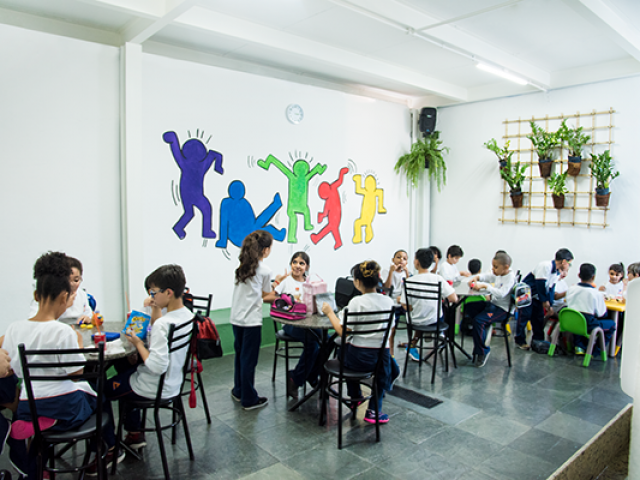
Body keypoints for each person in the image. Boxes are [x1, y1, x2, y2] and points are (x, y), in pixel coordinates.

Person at [2, 251, 119, 477]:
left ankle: (38, 457)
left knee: (79, 397)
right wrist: (78, 344)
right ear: (65, 297)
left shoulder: (14, 328)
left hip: (28, 405)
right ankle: (101, 448)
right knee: (98, 396)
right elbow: (76, 373)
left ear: (36, 295)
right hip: (64, 405)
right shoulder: (63, 331)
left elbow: (11, 368)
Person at [104, 264, 193, 450]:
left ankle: (109, 448)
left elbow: (157, 366)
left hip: (152, 386)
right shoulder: (188, 316)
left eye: (154, 293)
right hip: (174, 383)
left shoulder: (163, 324)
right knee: (125, 369)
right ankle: (133, 433)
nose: (151, 297)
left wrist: (137, 343)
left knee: (101, 391)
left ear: (168, 292)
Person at [321, 261, 399, 424]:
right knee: (387, 367)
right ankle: (374, 410)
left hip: (357, 359)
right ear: (378, 279)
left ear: (357, 282)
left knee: (343, 350)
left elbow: (343, 332)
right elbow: (390, 331)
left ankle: (355, 396)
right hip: (380, 360)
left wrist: (329, 313)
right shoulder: (388, 302)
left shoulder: (356, 302)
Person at [230, 230, 274, 409]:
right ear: (265, 250)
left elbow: (255, 290)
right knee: (249, 360)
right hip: (251, 321)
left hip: (236, 318)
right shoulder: (265, 270)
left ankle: (239, 390)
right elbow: (266, 296)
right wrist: (279, 292)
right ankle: (249, 399)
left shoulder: (242, 267)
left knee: (240, 356)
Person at [273, 252, 321, 399]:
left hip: (309, 322)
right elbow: (273, 298)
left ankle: (310, 374)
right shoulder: (286, 282)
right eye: (294, 262)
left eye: (301, 263)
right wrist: (276, 285)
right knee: (313, 343)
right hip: (291, 323)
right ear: (290, 264)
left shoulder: (310, 282)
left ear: (307, 267)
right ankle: (297, 379)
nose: (297, 266)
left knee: (326, 340)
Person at [401, 248, 458, 362]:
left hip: (414, 321)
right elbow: (454, 299)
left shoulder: (409, 281)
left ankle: (413, 345)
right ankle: (440, 334)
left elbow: (406, 306)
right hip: (434, 321)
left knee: (420, 310)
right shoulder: (438, 279)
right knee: (439, 309)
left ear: (417, 262)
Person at [515, 248, 573, 350]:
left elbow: (551, 289)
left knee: (539, 318)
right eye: (569, 263)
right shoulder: (545, 266)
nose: (569, 266)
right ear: (564, 261)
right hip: (526, 294)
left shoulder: (556, 272)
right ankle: (520, 340)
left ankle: (538, 340)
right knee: (524, 316)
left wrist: (550, 305)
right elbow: (540, 284)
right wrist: (545, 301)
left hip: (537, 297)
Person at [467, 252, 516, 367]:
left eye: (495, 267)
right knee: (470, 307)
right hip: (493, 305)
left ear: (506, 267)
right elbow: (489, 277)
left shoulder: (510, 277)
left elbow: (501, 293)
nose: (493, 269)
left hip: (502, 310)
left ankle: (483, 351)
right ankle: (483, 331)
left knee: (479, 321)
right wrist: (477, 277)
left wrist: (486, 286)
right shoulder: (500, 273)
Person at [566, 263, 616, 355]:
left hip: (571, 322)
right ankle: (595, 351)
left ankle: (579, 346)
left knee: (579, 317)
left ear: (579, 275)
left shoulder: (571, 289)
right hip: (588, 325)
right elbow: (601, 314)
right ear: (593, 277)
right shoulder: (595, 293)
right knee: (612, 324)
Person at [29, 256, 93, 325]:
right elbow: (36, 321)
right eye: (67, 280)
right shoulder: (48, 296)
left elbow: (89, 313)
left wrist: (87, 318)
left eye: (76, 280)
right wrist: (64, 305)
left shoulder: (81, 294)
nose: (71, 284)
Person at [381, 249, 410, 356]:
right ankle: (391, 353)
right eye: (398, 257)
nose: (401, 260)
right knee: (392, 330)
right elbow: (386, 288)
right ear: (393, 260)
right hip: (392, 302)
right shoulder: (387, 271)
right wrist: (391, 272)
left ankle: (411, 347)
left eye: (404, 258)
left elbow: (410, 288)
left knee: (412, 323)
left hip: (403, 303)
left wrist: (407, 273)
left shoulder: (406, 273)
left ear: (407, 262)